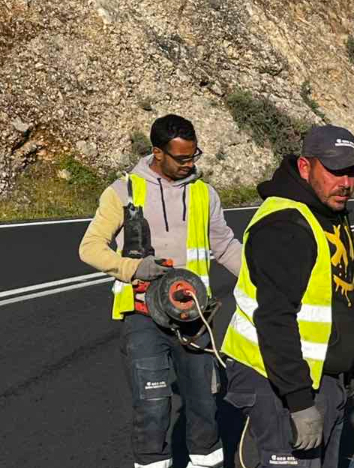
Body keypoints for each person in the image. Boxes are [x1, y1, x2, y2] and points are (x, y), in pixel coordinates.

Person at [79, 114, 243, 468]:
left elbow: (225, 246)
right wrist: (134, 268)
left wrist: (265, 279)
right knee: (151, 407)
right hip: (142, 316)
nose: (190, 164)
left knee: (202, 405)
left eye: (194, 156)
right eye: (182, 158)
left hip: (194, 318)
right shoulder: (124, 191)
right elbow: (90, 247)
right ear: (157, 152)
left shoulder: (203, 193)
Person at [221, 125, 354, 468]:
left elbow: (338, 296)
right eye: (335, 171)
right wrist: (299, 402)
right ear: (305, 167)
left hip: (318, 378)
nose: (345, 182)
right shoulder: (285, 224)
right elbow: (274, 320)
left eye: (352, 172)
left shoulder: (328, 211)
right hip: (278, 382)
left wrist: (348, 362)